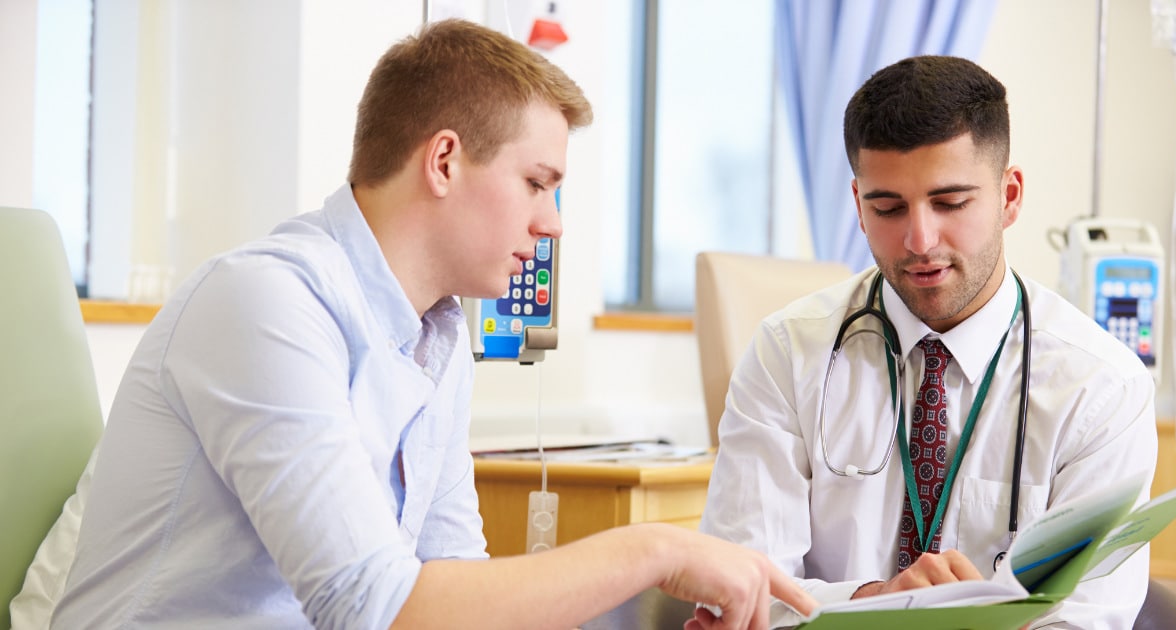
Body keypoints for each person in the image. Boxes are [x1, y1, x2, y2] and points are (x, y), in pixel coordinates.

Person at [40, 19, 814, 630]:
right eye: (537, 183)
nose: (554, 223)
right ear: (443, 161)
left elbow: (458, 593)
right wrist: (653, 548)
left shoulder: (438, 339)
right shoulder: (264, 302)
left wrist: (659, 601)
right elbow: (378, 611)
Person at [692, 55, 1157, 629]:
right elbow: (738, 591)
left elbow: (1087, 617)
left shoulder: (1101, 389)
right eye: (887, 208)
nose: (919, 239)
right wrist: (878, 604)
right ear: (859, 207)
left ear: (1009, 197)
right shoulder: (788, 354)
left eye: (950, 203)